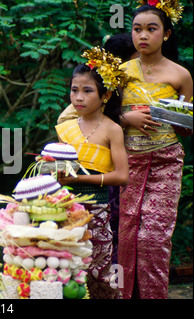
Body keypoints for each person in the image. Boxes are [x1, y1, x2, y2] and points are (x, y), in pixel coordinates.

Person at [117, 0, 192, 299]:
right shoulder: (118, 73)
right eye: (137, 29)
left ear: (167, 34)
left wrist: (181, 117)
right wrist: (127, 117)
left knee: (154, 237)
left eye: (151, 29)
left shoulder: (181, 75)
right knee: (125, 234)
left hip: (166, 160)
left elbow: (186, 128)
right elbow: (100, 116)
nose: (143, 36)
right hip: (127, 160)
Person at [57, 33, 138, 265]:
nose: (78, 97)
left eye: (87, 91)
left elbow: (122, 176)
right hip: (67, 208)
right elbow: (62, 170)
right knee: (67, 267)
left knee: (98, 271)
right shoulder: (66, 127)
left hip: (100, 210)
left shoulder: (112, 129)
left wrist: (81, 178)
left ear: (106, 95)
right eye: (74, 90)